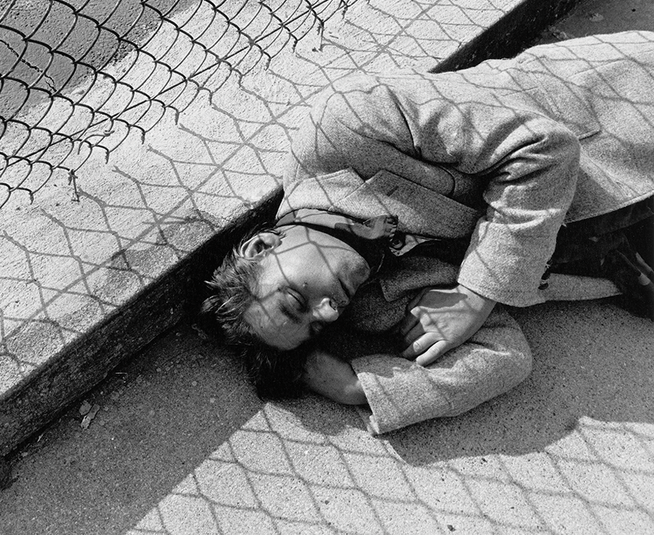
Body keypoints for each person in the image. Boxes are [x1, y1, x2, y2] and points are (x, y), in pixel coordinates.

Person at [203, 30, 654, 434]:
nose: (326, 314)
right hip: (621, 239)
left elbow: (544, 148)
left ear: (264, 246)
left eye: (295, 302)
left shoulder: (344, 127)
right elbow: (502, 355)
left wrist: (476, 295)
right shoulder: (373, 305)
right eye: (315, 329)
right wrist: (358, 387)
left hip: (626, 115)